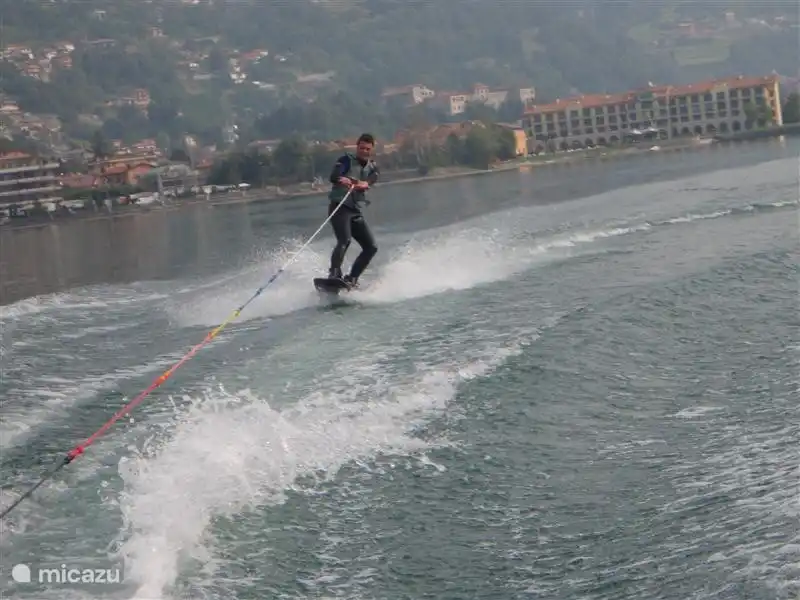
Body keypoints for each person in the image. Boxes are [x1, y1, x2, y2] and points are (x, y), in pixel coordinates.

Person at [326, 132, 380, 288]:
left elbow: (370, 181)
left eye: (368, 149)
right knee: (345, 240)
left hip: (355, 210)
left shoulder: (373, 167)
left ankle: (352, 278)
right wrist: (343, 180)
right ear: (357, 147)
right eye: (362, 148)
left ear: (372, 149)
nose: (364, 151)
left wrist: (355, 182)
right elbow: (334, 176)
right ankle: (334, 273)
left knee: (371, 247)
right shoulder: (345, 160)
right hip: (339, 207)